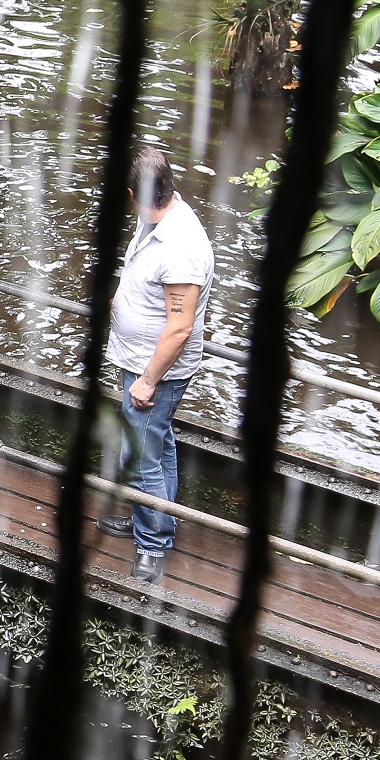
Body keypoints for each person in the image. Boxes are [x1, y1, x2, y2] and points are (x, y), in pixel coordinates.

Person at [101, 146, 212, 585]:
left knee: (144, 454)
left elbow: (180, 326)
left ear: (134, 192)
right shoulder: (159, 219)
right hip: (141, 359)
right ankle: (154, 521)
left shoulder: (181, 246)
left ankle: (153, 546)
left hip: (156, 369)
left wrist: (148, 380)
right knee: (156, 445)